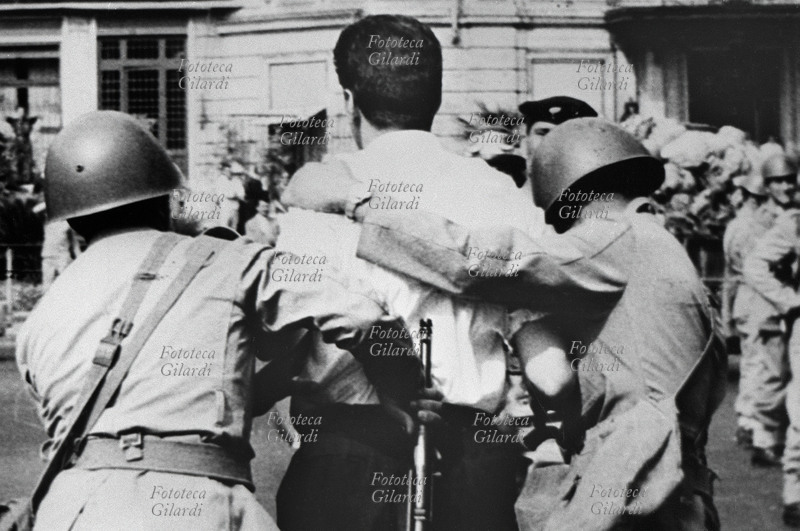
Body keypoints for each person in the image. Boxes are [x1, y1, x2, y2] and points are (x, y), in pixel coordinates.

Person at [269, 15, 630, 531]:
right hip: (470, 459)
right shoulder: (497, 193)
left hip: (345, 456)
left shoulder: (317, 195)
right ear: (436, 99)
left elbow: (281, 343)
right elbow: (552, 374)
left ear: (348, 99)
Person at [286, 118, 727, 530]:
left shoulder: (617, 237)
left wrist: (356, 201)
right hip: (675, 484)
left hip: (637, 478)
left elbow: (478, 263)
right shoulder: (661, 248)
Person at [15, 110, 412, 531]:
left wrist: (282, 374)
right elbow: (363, 316)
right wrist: (402, 392)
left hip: (68, 510)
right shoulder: (226, 259)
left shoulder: (38, 321)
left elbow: (127, 413)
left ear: (71, 219)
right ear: (166, 195)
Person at [738, 153, 798, 466]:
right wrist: (788, 299)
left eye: (789, 180)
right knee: (771, 371)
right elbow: (755, 267)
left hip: (779, 302)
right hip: (767, 303)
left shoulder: (790, 213)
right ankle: (763, 438)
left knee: (778, 371)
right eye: (778, 182)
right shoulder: (763, 219)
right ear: (767, 186)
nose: (786, 186)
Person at [721, 173, 768, 447]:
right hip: (756, 297)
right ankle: (750, 421)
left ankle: (749, 420)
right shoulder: (754, 228)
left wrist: (727, 312)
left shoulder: (734, 226)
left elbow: (728, 273)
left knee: (754, 358)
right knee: (759, 360)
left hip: (743, 297)